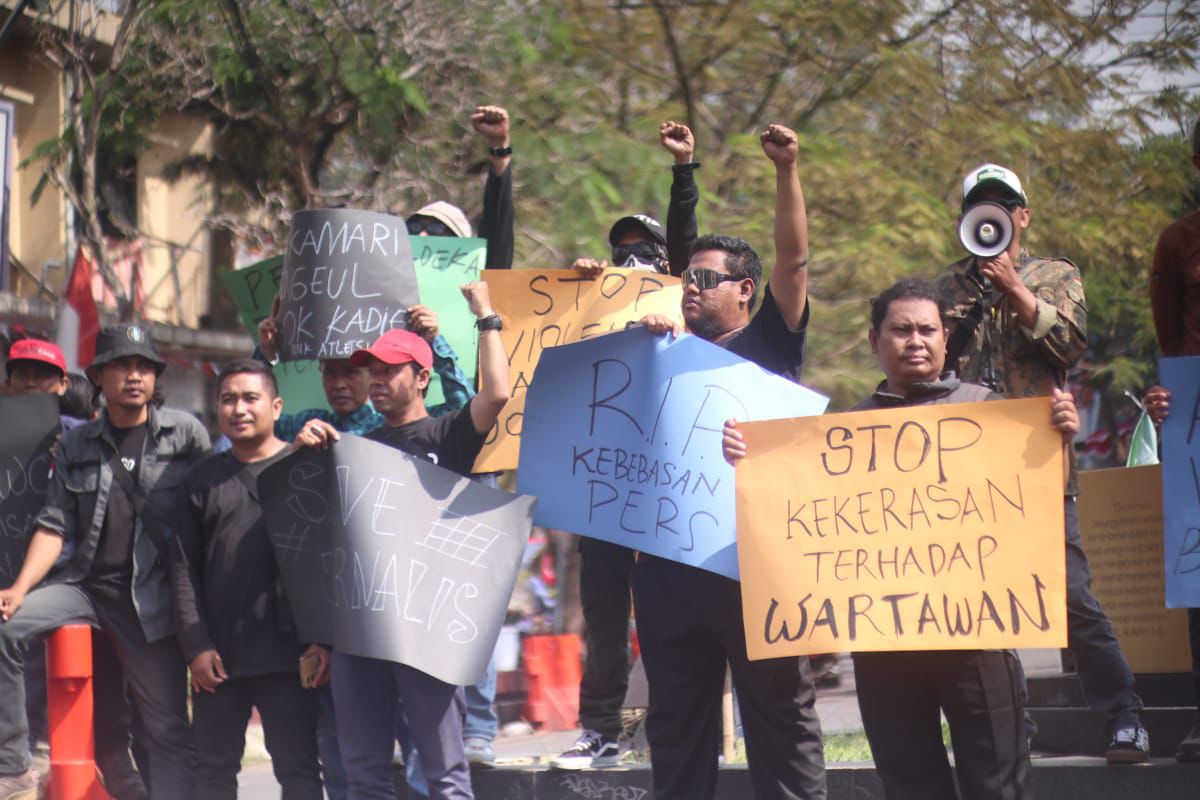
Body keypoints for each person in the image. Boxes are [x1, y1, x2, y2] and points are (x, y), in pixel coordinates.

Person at [726, 278, 1080, 798]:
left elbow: (1039, 505)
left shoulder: (992, 412)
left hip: (978, 638)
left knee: (1000, 782)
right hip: (884, 648)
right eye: (901, 330)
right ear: (875, 341)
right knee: (908, 782)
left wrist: (1060, 442)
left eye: (927, 330)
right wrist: (749, 460)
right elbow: (797, 517)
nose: (915, 340)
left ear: (945, 339)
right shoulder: (845, 433)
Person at [629, 123, 824, 800]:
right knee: (676, 727)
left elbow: (793, 261)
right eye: (687, 278)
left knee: (779, 718)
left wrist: (787, 169)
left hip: (754, 566)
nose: (691, 287)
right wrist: (682, 171)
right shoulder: (660, 349)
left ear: (746, 290)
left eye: (708, 279)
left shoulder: (770, 342)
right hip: (669, 572)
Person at [934, 163, 1149, 763]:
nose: (992, 216)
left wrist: (1014, 289)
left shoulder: (1055, 274)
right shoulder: (948, 287)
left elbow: (1070, 345)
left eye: (1004, 205)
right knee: (982, 604)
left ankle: (1124, 717)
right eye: (979, 206)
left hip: (1039, 467)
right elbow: (930, 366)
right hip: (968, 475)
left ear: (1023, 216)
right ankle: (1011, 729)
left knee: (1072, 596)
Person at [295, 281, 507, 800]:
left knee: (444, 774)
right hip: (361, 631)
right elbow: (329, 541)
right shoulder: (353, 449)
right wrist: (300, 455)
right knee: (364, 776)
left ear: (422, 377)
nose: (378, 380)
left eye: (391, 369)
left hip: (426, 628)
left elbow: (497, 394)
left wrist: (485, 315)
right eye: (373, 370)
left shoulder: (447, 435)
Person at [0, 324, 210, 800]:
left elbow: (212, 505)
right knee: (6, 625)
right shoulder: (77, 444)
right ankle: (13, 764)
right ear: (97, 376)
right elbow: (54, 525)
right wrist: (19, 589)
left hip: (151, 599)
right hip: (86, 589)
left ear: (155, 377)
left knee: (165, 729)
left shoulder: (185, 434)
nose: (133, 376)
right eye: (121, 366)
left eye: (143, 367)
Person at [549, 121, 701, 770]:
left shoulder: (686, 308)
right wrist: (579, 294)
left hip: (667, 491)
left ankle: (678, 727)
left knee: (674, 616)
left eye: (645, 252)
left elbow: (687, 249)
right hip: (603, 492)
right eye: (622, 252)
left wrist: (683, 172)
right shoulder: (593, 311)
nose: (631, 260)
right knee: (605, 619)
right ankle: (601, 730)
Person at [168, 358, 326, 799]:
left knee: (299, 770)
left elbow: (328, 563)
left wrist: (324, 641)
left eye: (250, 398)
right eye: (228, 399)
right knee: (213, 774)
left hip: (293, 656)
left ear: (276, 407)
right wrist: (196, 647)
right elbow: (182, 568)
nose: (238, 409)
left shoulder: (306, 467)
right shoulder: (200, 480)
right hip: (219, 660)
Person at [1144, 116, 1200, 763]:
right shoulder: (1178, 241)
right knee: (1199, 571)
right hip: (1197, 431)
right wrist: (1174, 397)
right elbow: (1170, 340)